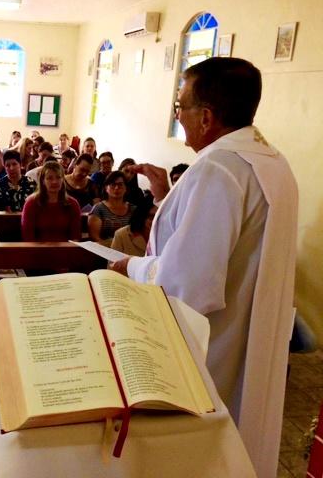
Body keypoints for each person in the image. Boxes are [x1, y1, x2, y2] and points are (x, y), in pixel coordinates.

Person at [110, 57, 297, 478]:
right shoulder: (271, 163)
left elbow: (185, 285)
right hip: (251, 335)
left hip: (215, 346)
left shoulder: (217, 169)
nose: (178, 116)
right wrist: (167, 199)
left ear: (207, 116)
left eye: (181, 106)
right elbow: (227, 242)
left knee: (200, 456)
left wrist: (132, 267)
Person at [21, 161, 81, 241]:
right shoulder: (31, 203)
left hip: (66, 247)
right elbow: (28, 237)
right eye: (49, 178)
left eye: (58, 177)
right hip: (38, 248)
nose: (54, 182)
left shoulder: (73, 204)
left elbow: (75, 236)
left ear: (63, 180)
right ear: (43, 181)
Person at [88, 171, 135, 246]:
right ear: (106, 188)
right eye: (113, 184)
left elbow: (138, 234)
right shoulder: (98, 209)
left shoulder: (133, 209)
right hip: (104, 248)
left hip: (129, 248)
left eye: (120, 185)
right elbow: (95, 237)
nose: (116, 188)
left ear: (126, 188)